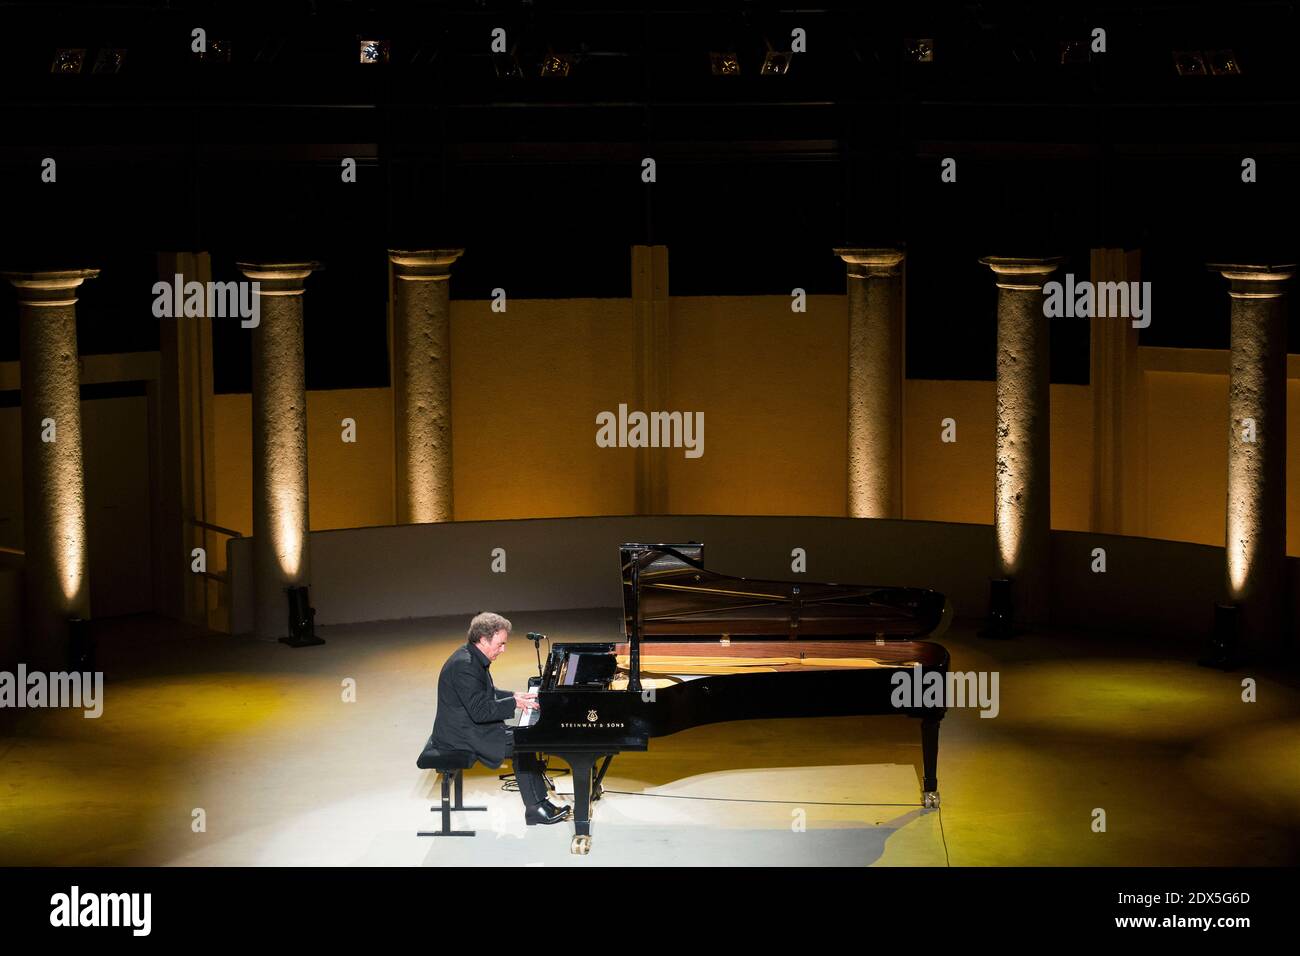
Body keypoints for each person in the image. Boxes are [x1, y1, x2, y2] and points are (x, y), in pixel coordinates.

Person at [429, 611, 570, 825]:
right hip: (459, 735)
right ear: (484, 639)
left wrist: (513, 695)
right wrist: (514, 704)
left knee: (526, 738)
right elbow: (480, 711)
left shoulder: (470, 656)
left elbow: (485, 692)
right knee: (523, 743)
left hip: (466, 727)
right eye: (500, 644)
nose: (503, 650)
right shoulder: (464, 665)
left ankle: (539, 804)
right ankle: (535, 808)